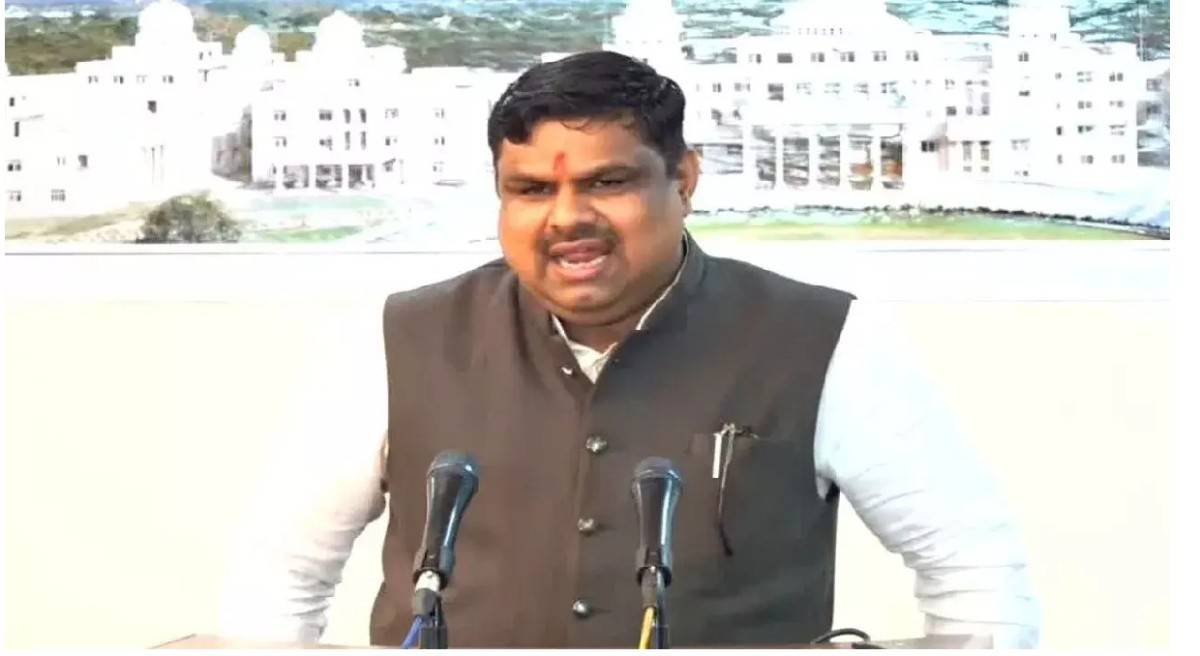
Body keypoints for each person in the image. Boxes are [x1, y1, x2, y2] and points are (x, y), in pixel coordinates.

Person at [221, 51, 1040, 648]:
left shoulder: (823, 340)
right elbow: (280, 576)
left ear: (683, 180)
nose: (567, 218)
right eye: (531, 189)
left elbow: (977, 576)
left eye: (606, 183)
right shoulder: (400, 339)